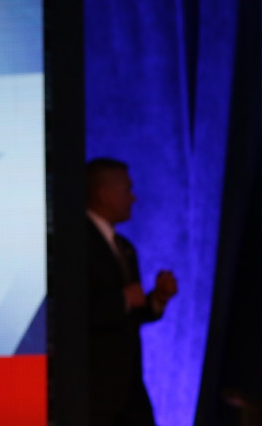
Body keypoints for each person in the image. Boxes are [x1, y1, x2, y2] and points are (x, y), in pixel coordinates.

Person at [86, 157, 178, 425]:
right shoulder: (77, 242)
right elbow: (72, 311)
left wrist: (157, 299)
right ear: (104, 194)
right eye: (127, 189)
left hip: (129, 384)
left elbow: (130, 315)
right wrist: (122, 299)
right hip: (94, 387)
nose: (134, 197)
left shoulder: (124, 246)